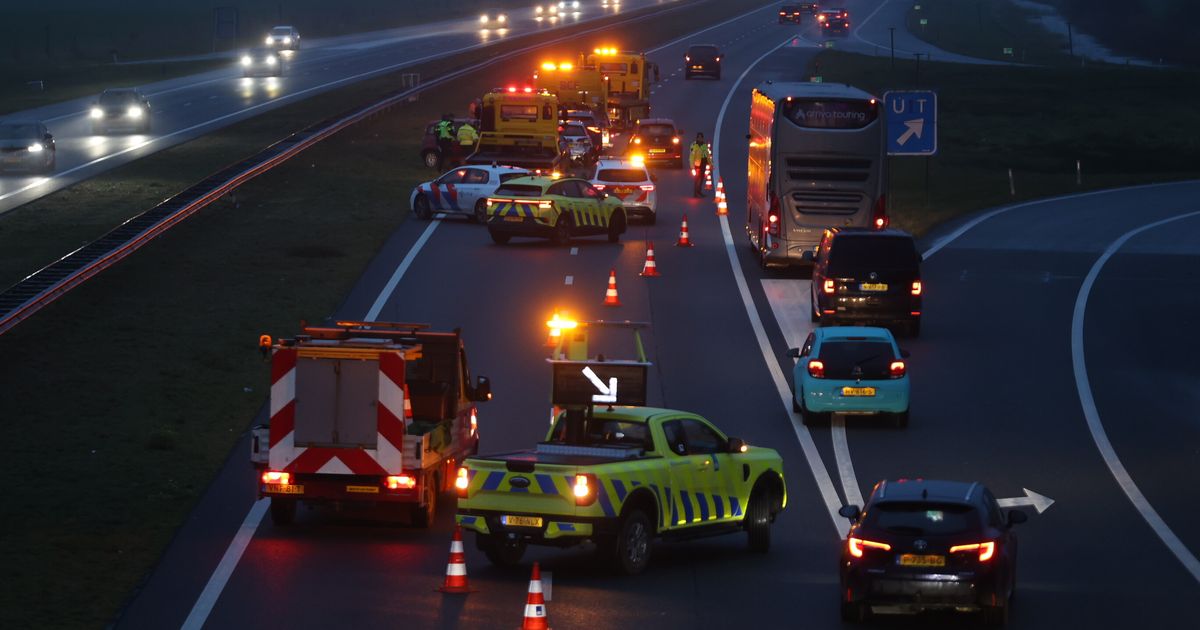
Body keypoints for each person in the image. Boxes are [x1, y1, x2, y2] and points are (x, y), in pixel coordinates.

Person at [689, 132, 711, 198]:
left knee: (701, 178)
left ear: (702, 138)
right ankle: (695, 193)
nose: (700, 138)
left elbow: (707, 155)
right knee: (696, 179)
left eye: (701, 137)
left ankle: (699, 191)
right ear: (697, 138)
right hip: (697, 165)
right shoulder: (694, 145)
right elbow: (691, 156)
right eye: (699, 137)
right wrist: (692, 167)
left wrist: (710, 163)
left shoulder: (704, 145)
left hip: (703, 164)